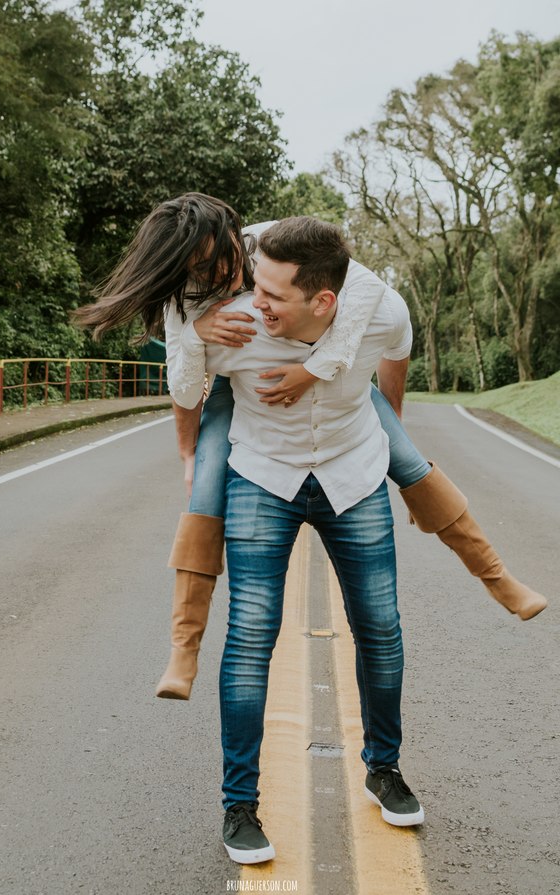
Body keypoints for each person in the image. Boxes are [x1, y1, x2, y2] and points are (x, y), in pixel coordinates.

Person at [72, 193, 545, 703]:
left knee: (407, 459)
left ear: (237, 229)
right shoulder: (184, 297)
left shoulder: (270, 242)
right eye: (203, 272)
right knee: (203, 488)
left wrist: (327, 379)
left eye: (226, 257)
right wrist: (193, 332)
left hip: (339, 380)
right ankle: (184, 648)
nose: (226, 274)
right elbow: (186, 390)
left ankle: (498, 578)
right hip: (236, 392)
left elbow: (368, 295)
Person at [198, 217, 422, 862]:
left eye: (274, 294)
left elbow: (396, 349)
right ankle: (239, 805)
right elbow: (182, 369)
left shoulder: (379, 313)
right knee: (250, 634)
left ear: (324, 301)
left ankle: (384, 769)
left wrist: (392, 430)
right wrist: (189, 334)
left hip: (353, 475)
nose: (254, 301)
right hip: (261, 476)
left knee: (381, 626)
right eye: (254, 286)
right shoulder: (234, 322)